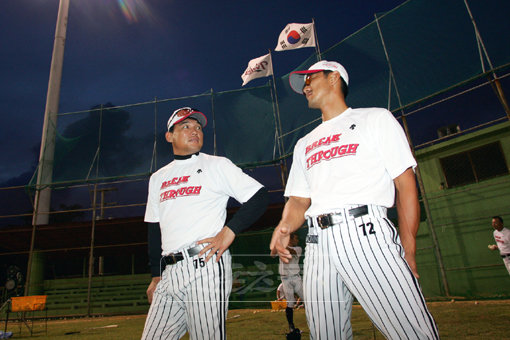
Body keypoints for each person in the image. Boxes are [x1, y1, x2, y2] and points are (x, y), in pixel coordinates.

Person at [270, 60, 439, 339]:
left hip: (364, 232)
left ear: (334, 78)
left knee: (411, 332)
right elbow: (299, 201)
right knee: (326, 335)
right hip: (316, 245)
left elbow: (405, 184)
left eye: (310, 79)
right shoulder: (304, 143)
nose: (306, 87)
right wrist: (285, 225)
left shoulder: (375, 119)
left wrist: (408, 248)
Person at [141, 107, 268, 339]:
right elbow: (153, 229)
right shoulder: (158, 178)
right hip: (169, 272)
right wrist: (155, 275)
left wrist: (229, 231)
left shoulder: (216, 165)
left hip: (205, 263)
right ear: (170, 136)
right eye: (186, 126)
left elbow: (259, 197)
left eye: (198, 127)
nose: (195, 131)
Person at [278, 233, 304, 333]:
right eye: (296, 238)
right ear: (291, 239)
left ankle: (315, 320)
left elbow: (291, 251)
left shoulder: (298, 249)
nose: (297, 240)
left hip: (296, 278)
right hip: (285, 279)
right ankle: (291, 326)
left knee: (306, 299)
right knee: (290, 302)